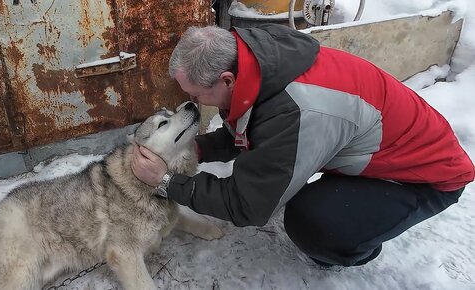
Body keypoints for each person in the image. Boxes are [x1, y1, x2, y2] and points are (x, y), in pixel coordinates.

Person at [131, 24, 475, 267]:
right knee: (284, 181)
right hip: (377, 146)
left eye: (195, 96)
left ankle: (355, 248)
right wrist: (197, 150)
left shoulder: (297, 110)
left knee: (312, 222)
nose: (193, 101)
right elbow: (251, 129)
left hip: (422, 176)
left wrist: (166, 182)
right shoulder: (255, 62)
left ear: (227, 80)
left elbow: (247, 206)